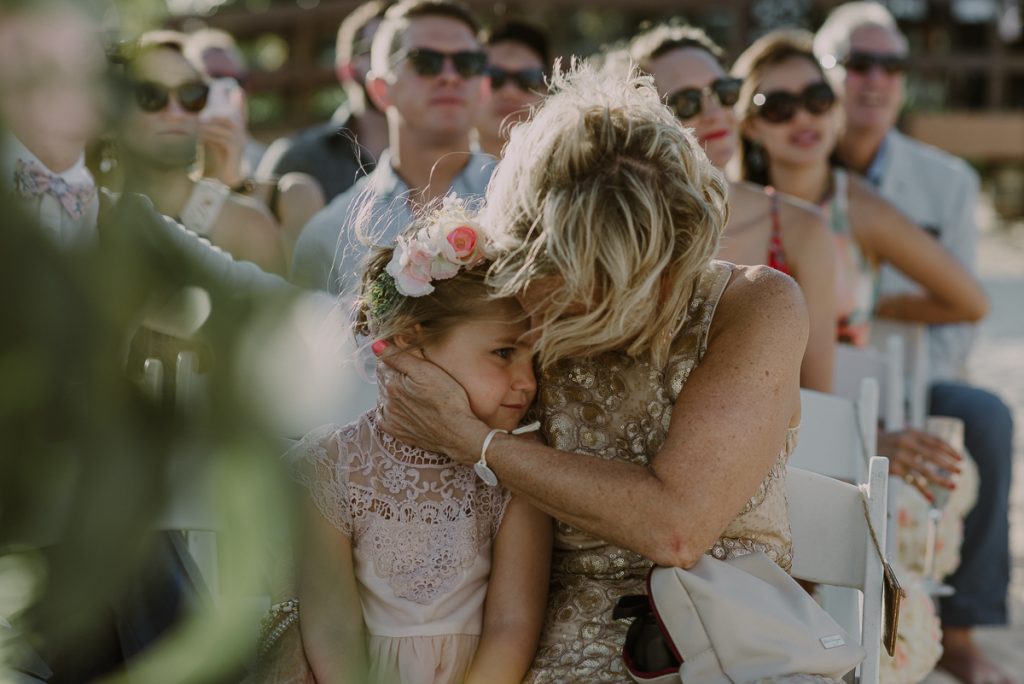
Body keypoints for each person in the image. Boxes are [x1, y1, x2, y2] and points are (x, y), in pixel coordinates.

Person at [374, 62, 824, 682]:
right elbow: (403, 402)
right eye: (580, 283)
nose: (609, 306)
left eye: (637, 280)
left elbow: (677, 529)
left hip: (728, 648)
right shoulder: (509, 301)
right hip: (538, 642)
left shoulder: (755, 306)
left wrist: (478, 443)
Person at [816, 5, 1015, 683]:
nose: (875, 80)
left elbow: (962, 319)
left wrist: (877, 327)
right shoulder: (785, 165)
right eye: (857, 64)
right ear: (822, 75)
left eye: (891, 66)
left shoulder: (949, 181)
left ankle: (958, 632)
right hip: (809, 376)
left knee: (985, 417)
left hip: (914, 375)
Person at [287, 203, 551, 683]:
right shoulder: (331, 467)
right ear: (411, 341)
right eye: (504, 353)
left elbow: (512, 626)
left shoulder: (519, 473)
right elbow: (333, 625)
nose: (527, 382)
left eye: (535, 360)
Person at [732, 30, 990, 499]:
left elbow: (969, 301)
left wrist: (867, 306)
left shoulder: (859, 208)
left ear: (835, 108)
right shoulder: (728, 209)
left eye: (816, 98)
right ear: (749, 124)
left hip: (843, 416)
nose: (804, 117)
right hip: (743, 422)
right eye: (778, 105)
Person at [628, 23, 837, 392]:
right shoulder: (624, 233)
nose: (715, 112)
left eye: (724, 93)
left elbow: (818, 397)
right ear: (644, 120)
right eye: (687, 102)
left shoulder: (801, 229)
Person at [290, 0, 494, 295]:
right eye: (425, 61)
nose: (450, 76)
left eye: (467, 63)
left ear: (483, 86)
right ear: (380, 90)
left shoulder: (527, 201)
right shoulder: (330, 235)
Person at [113, 31, 287, 274]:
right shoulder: (84, 214)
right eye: (151, 94)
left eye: (190, 94)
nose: (175, 112)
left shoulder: (248, 227)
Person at [257, 0, 390, 202]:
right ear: (347, 69)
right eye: (380, 50)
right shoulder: (298, 159)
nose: (391, 64)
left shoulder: (451, 155)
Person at [183, 27, 266, 176]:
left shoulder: (268, 162)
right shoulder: (168, 161)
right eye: (215, 78)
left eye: (238, 81)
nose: (230, 88)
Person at [475, 20, 549, 158]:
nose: (510, 92)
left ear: (546, 92)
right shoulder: (432, 173)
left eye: (527, 79)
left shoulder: (576, 177)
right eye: (495, 77)